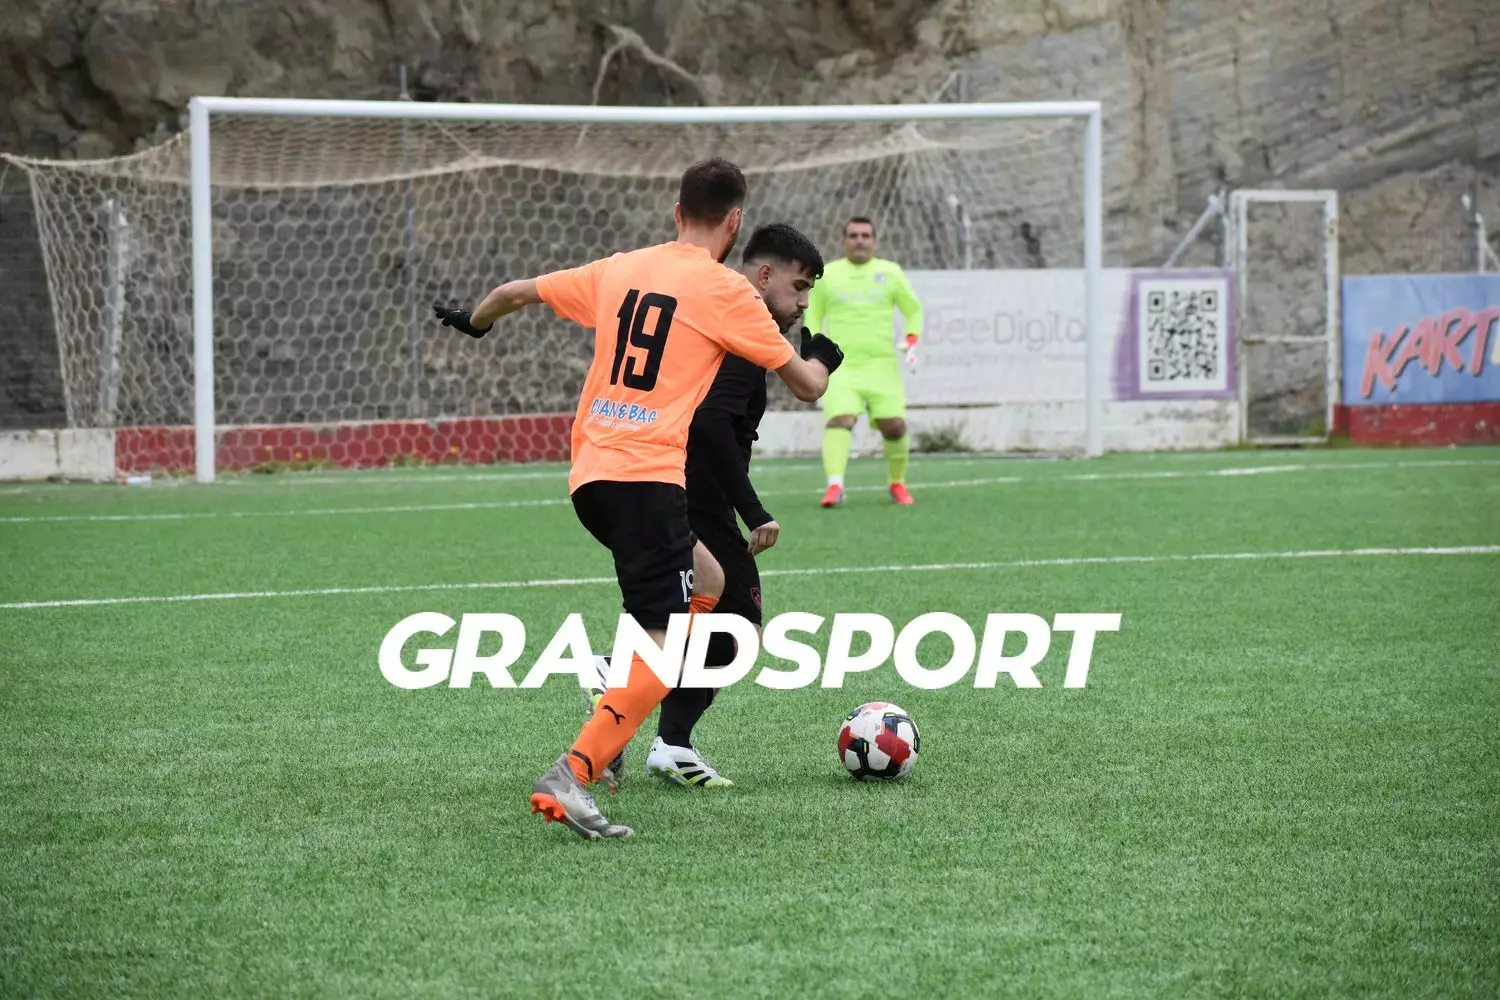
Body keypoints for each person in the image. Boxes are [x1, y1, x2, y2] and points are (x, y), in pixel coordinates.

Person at [433, 159, 845, 840]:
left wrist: (474, 323)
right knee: (665, 643)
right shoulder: (726, 290)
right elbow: (806, 384)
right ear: (735, 221)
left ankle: (619, 695)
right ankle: (575, 770)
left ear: (677, 211)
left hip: (591, 476)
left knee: (708, 582)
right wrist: (825, 357)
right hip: (647, 480)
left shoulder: (622, 268)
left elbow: (512, 292)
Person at [584, 222, 827, 790]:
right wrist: (754, 511)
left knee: (702, 618)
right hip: (694, 498)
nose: (803, 303)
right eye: (798, 286)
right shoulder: (740, 319)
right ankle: (632, 693)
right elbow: (712, 423)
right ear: (763, 275)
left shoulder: (722, 311)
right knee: (738, 627)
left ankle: (661, 738)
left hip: (677, 490)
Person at [803, 216, 924, 507]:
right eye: (854, 235)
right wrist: (814, 353)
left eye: (865, 236)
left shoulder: (890, 272)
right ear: (844, 241)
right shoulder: (828, 275)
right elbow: (813, 315)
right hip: (841, 367)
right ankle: (835, 485)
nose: (860, 241)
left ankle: (897, 483)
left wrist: (911, 338)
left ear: (874, 241)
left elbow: (914, 310)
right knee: (841, 419)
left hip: (882, 366)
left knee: (894, 426)